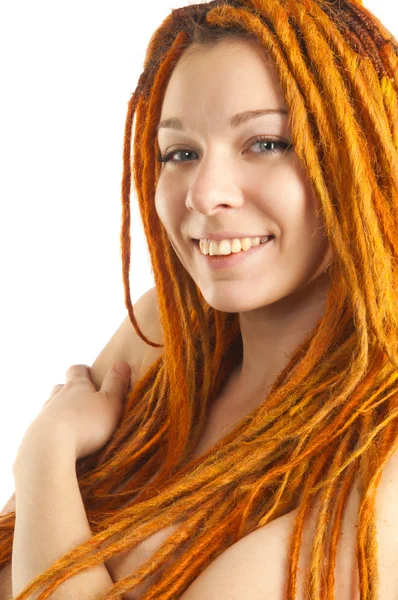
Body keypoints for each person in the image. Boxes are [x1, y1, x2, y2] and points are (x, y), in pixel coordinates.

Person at [1, 0, 398, 598]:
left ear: (362, 152)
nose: (205, 194)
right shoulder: (162, 333)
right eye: (180, 153)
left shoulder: (377, 452)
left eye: (265, 143)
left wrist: (45, 455)